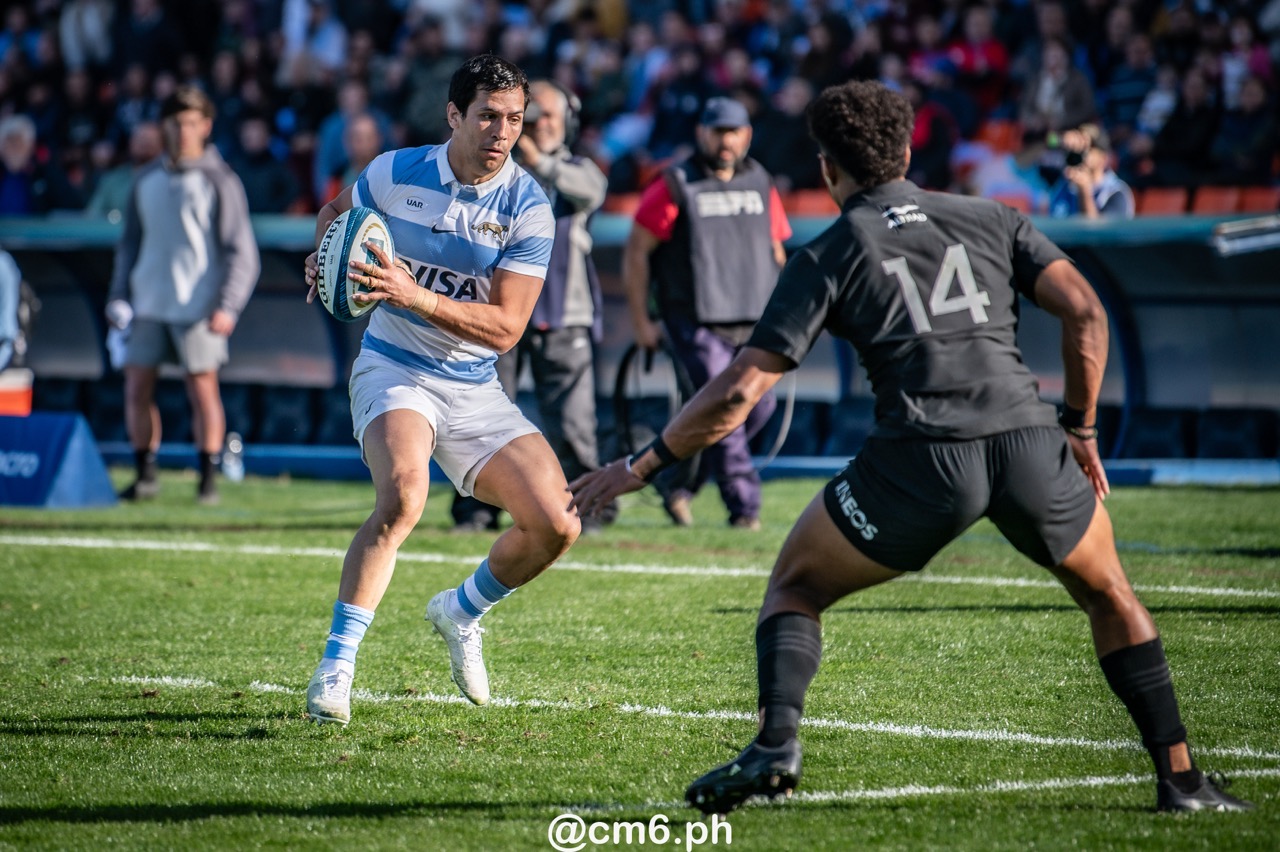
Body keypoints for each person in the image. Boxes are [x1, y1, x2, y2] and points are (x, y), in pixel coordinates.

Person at [570, 80, 1251, 816]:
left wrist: (640, 466)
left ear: (828, 168)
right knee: (1111, 593)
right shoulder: (993, 216)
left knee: (796, 586)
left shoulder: (828, 252)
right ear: (905, 152)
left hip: (924, 457)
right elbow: (1085, 311)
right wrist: (1079, 429)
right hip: (1027, 440)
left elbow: (738, 392)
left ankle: (775, 744)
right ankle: (1181, 778)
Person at [301, 55, 578, 726]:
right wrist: (323, 258)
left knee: (557, 524)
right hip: (394, 366)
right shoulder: (394, 172)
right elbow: (335, 214)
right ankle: (336, 667)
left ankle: (461, 611)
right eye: (488, 116)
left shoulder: (529, 206)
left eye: (515, 119)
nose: (502, 132)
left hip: (475, 384)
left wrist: (412, 293)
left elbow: (506, 328)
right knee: (403, 496)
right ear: (454, 115)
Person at [621, 96, 791, 530]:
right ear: (701, 133)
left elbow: (776, 249)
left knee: (760, 407)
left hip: (754, 319)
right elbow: (638, 252)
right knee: (727, 406)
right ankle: (745, 509)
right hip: (695, 320)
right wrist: (642, 321)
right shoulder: (675, 182)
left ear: (747, 135)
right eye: (718, 131)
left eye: (734, 131)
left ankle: (680, 482)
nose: (726, 140)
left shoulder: (760, 180)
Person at [451, 79, 613, 533]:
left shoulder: (577, 168)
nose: (538, 126)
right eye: (531, 118)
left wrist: (540, 161)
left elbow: (592, 191)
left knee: (573, 424)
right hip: (497, 309)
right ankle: (476, 510)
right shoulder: (494, 171)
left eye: (547, 117)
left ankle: (586, 508)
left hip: (563, 313)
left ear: (568, 122)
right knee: (479, 417)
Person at [106, 85, 260, 505]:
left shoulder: (221, 180)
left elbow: (242, 252)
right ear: (164, 126)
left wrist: (228, 305)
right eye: (176, 122)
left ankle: (207, 480)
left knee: (203, 392)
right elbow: (129, 245)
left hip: (199, 308)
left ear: (206, 126)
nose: (183, 131)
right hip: (147, 304)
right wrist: (119, 295)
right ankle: (145, 475)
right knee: (136, 389)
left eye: (191, 122)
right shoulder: (145, 179)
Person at [1047, 124, 1135, 219]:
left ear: (1103, 158)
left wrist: (1084, 190)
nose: (1080, 152)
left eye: (1088, 148)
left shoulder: (1114, 192)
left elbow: (1099, 228)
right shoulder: (1064, 187)